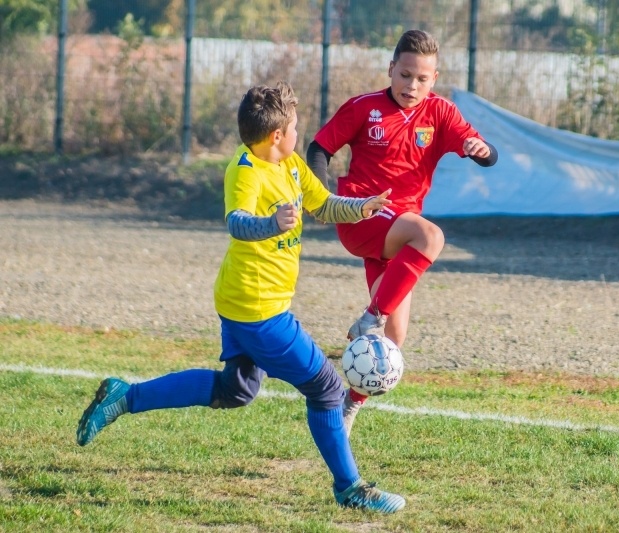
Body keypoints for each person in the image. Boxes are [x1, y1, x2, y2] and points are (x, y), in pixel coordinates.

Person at [75, 81, 406, 514]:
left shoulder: (290, 164)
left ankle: (125, 395)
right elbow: (237, 222)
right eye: (294, 127)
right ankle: (351, 488)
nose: (298, 134)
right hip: (258, 308)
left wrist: (361, 207)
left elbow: (323, 205)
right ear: (276, 135)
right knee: (326, 387)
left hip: (244, 301)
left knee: (235, 390)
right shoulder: (245, 168)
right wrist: (271, 224)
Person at [306, 29, 498, 436]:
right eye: (405, 75)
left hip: (397, 231)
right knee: (431, 238)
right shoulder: (364, 108)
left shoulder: (440, 113)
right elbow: (319, 149)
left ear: (434, 78)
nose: (412, 85)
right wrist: (323, 199)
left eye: (422, 78)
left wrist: (480, 150)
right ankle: (370, 317)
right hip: (361, 214)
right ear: (391, 69)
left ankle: (348, 405)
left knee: (392, 340)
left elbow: (482, 148)